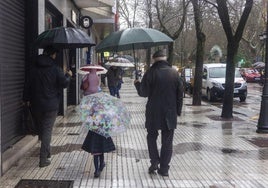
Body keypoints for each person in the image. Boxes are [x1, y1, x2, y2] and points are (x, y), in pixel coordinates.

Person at [134, 50, 183, 177]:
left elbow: (143, 93)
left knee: (151, 137)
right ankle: (164, 168)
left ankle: (154, 161)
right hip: (169, 112)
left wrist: (137, 84)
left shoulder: (150, 73)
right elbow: (180, 94)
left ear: (154, 59)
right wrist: (178, 110)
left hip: (153, 111)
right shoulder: (174, 73)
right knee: (167, 141)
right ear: (165, 59)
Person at [23, 45, 72, 168]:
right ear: (52, 55)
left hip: (36, 105)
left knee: (42, 130)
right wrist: (69, 75)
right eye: (55, 54)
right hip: (51, 105)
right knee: (47, 131)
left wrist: (25, 99)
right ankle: (43, 159)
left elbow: (27, 84)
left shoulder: (33, 68)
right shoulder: (56, 69)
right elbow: (64, 83)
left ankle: (48, 153)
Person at [80, 68, 115, 178]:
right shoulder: (104, 109)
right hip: (100, 132)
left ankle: (99, 168)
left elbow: (88, 120)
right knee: (99, 151)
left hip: (96, 132)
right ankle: (98, 168)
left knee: (98, 152)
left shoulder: (92, 109)